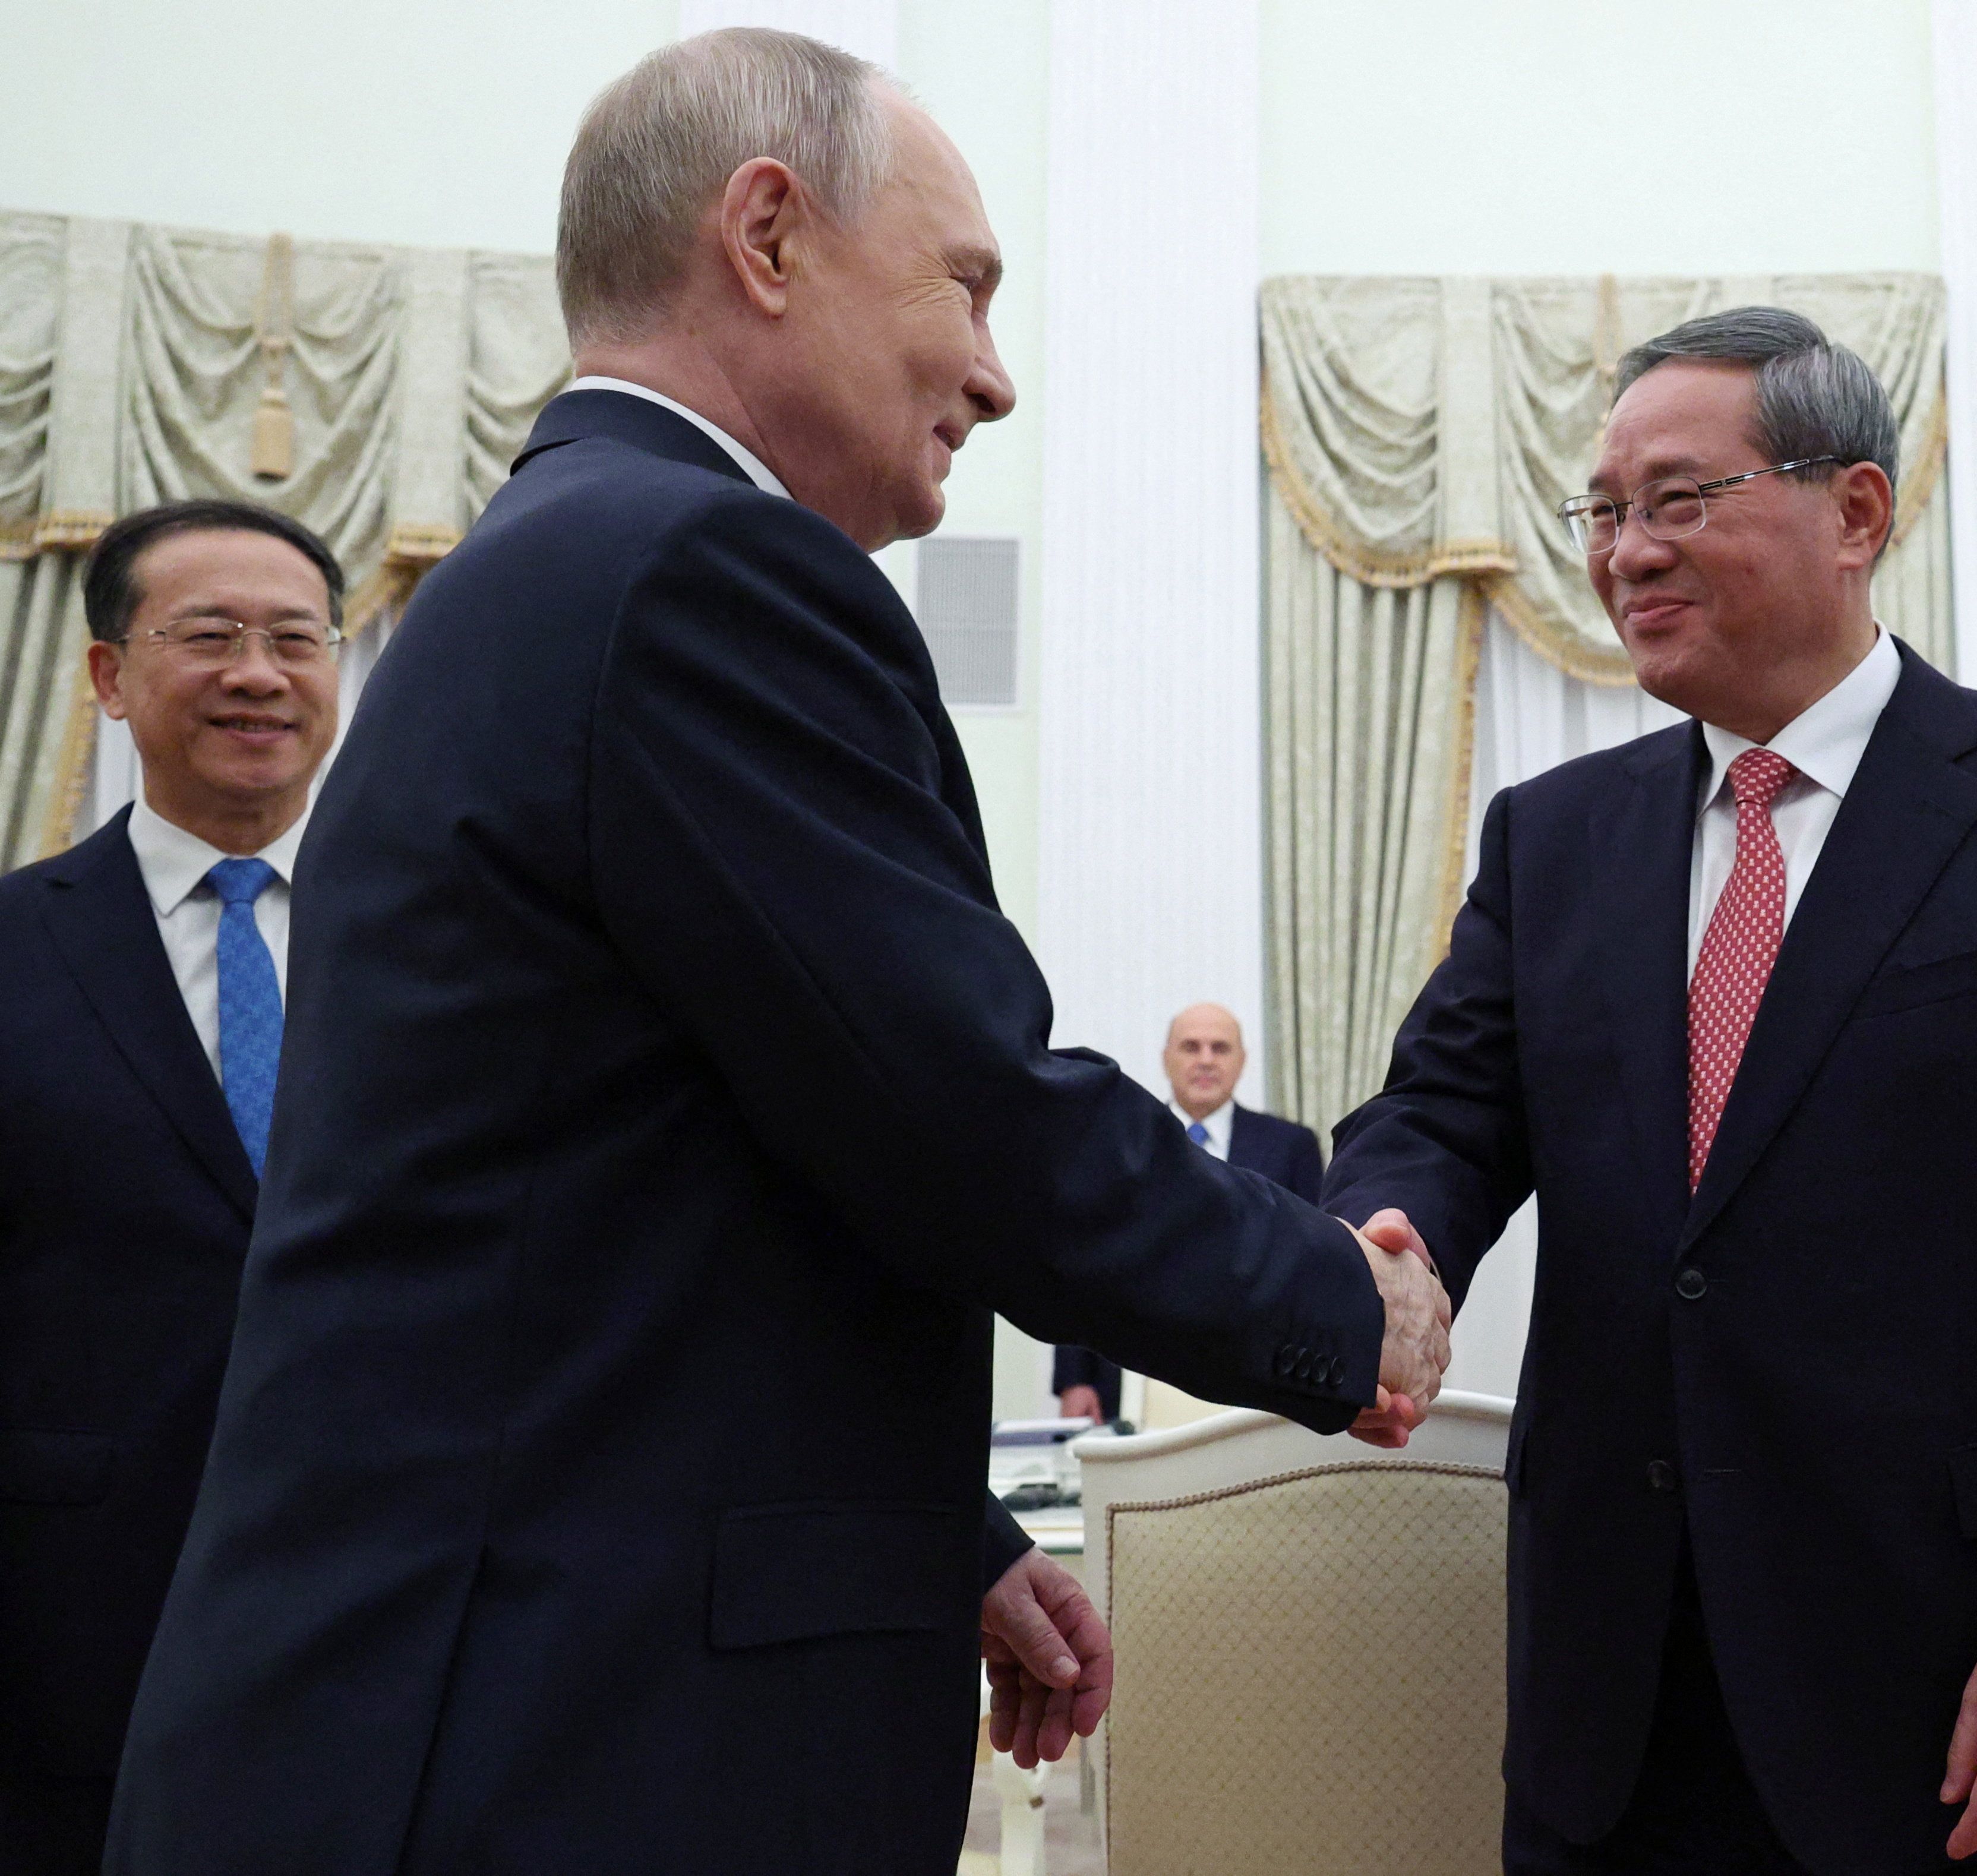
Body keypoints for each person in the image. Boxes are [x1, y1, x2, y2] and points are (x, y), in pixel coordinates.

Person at [104, 32, 1447, 1876]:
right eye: (965, 285)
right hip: (548, 1738)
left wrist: (938, 1532)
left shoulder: (551, 563)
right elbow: (953, 1103)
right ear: (767, 234)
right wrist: (1336, 1302)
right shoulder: (697, 572)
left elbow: (640, 1203)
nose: (992, 369)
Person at [1324, 307, 1977, 1875]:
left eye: (1677, 499)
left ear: (1857, 512)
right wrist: (1374, 1253)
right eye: (1604, 512)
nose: (1624, 553)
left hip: (1956, 1692)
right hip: (1609, 1699)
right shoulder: (1555, 841)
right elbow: (1440, 1118)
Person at [0, 500, 341, 1875]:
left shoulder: (458, 957)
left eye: (294, 639)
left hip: (391, 1639)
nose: (257, 672)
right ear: (107, 675)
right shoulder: (17, 950)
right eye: (207, 635)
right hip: (66, 1659)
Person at [1054, 1003, 1325, 1422]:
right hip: (1130, 1372)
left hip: (1258, 1376)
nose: (1205, 1060)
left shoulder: (1291, 1147)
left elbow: (1311, 1264)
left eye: (1220, 1048)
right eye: (1190, 1047)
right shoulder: (1119, 1141)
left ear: (1241, 1061)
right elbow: (1082, 1258)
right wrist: (1075, 1378)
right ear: (1166, 1058)